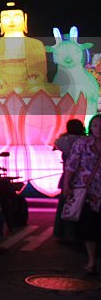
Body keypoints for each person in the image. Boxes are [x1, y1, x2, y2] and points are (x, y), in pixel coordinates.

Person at [62, 115, 101, 272]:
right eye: (96, 125)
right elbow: (71, 166)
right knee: (90, 228)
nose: (99, 128)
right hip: (87, 193)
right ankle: (91, 261)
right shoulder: (81, 144)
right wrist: (66, 185)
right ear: (90, 128)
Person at [55, 119, 87, 240]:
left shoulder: (63, 141)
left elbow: (57, 143)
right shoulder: (84, 141)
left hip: (66, 176)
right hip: (82, 178)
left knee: (65, 205)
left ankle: (62, 233)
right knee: (81, 206)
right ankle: (78, 234)